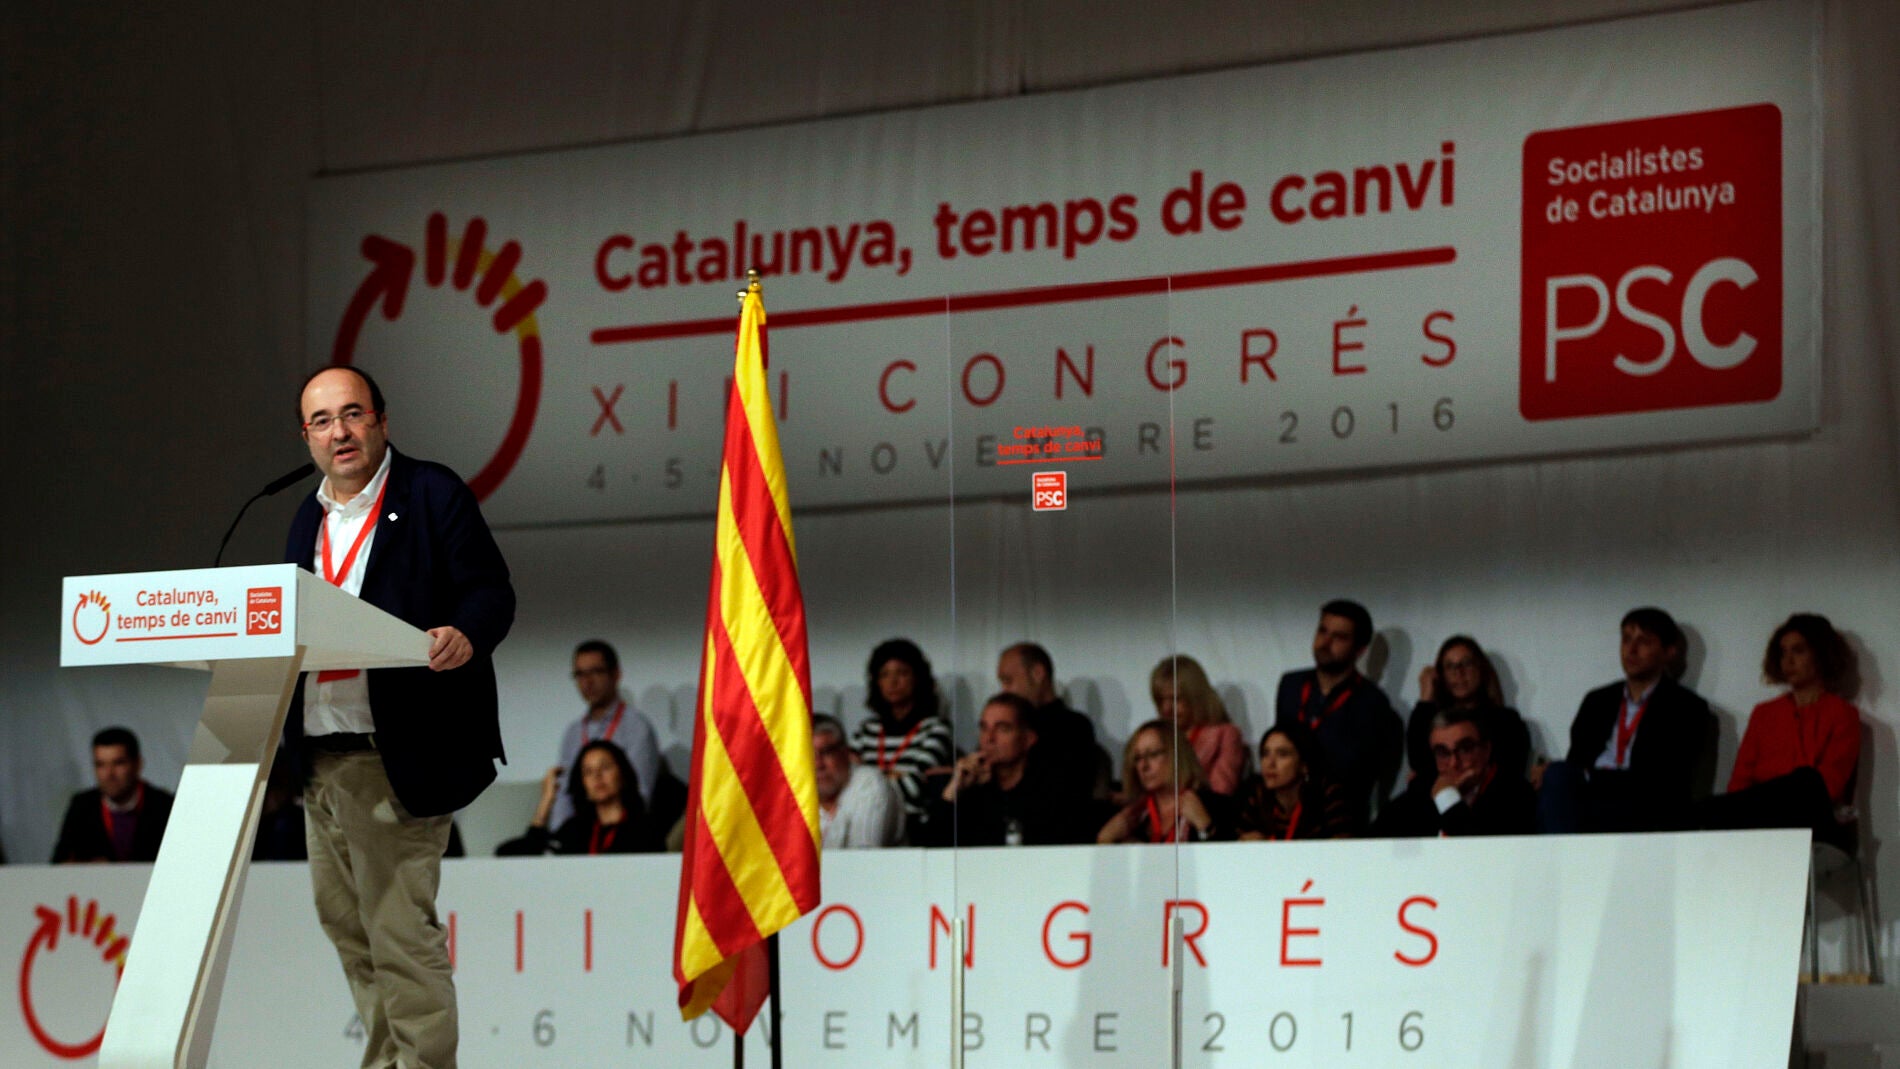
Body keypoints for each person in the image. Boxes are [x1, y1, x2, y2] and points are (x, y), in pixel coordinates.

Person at [285, 364, 515, 1069]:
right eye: (322, 421)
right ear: (307, 436)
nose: (339, 432)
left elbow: (489, 588)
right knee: (352, 936)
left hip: (398, 758)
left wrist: (465, 634)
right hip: (321, 761)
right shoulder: (306, 516)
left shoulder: (430, 492)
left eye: (352, 413)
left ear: (382, 420)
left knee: (399, 940)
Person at [1542, 607, 1714, 833]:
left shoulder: (1686, 707)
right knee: (1555, 778)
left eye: (1644, 641)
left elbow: (1664, 782)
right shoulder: (1597, 701)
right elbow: (1577, 761)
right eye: (1626, 639)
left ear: (1669, 652)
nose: (1631, 650)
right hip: (1592, 801)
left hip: (1647, 807)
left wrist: (1590, 777)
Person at [1700, 614, 1862, 844]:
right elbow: (1740, 781)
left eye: (1798, 651)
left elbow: (1830, 787)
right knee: (1708, 808)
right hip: (1760, 819)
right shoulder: (1764, 713)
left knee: (1806, 782)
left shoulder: (1842, 713)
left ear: (1820, 654)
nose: (1788, 660)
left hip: (1813, 821)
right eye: (1783, 652)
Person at [1273, 599, 1403, 830]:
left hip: (1338, 821)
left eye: (1339, 637)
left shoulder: (1372, 702)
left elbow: (1359, 773)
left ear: (1360, 649)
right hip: (1284, 815)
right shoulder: (1291, 685)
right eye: (1322, 631)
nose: (1325, 642)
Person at [929, 693, 1096, 847]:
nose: (989, 739)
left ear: (1028, 739)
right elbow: (936, 848)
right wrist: (953, 790)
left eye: (1002, 729)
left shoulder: (1051, 791)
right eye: (984, 728)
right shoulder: (973, 790)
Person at [551, 640, 666, 830]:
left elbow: (639, 793)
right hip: (580, 835)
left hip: (623, 832)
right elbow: (565, 795)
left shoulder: (636, 727)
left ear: (616, 675)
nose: (587, 682)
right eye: (580, 674)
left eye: (595, 672)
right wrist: (560, 840)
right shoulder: (573, 733)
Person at [849, 638, 957, 836]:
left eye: (902, 673)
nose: (893, 682)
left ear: (917, 678)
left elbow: (915, 788)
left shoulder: (935, 729)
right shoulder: (866, 731)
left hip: (913, 829)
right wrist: (893, 776)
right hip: (865, 826)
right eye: (884, 674)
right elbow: (846, 786)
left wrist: (871, 781)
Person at [1375, 708, 1537, 837]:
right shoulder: (1421, 790)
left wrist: (1447, 798)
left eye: (1465, 749)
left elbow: (1481, 854)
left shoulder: (1515, 793)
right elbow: (1375, 839)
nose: (1454, 763)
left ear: (1486, 750)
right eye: (1443, 752)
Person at [499, 740, 660, 855]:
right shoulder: (574, 831)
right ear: (581, 783)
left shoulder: (645, 829)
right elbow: (511, 854)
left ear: (623, 774)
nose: (597, 775)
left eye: (605, 767)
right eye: (588, 772)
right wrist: (546, 802)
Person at [1407, 636, 1532, 781]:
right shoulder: (1433, 718)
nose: (1459, 673)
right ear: (1441, 675)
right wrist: (1425, 700)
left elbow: (1509, 773)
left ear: (1481, 669)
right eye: (1450, 666)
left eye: (1467, 664)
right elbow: (1418, 763)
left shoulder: (1507, 720)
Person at [997, 642, 1112, 801]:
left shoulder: (1073, 727)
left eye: (1008, 681)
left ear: (1038, 673)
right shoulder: (1004, 724)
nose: (1003, 691)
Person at [51, 727, 175, 863]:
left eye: (118, 763)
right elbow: (57, 864)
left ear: (138, 764)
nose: (109, 774)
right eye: (100, 765)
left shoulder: (165, 806)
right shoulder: (82, 806)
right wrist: (85, 868)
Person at [1098, 720, 1233, 844]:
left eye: (1153, 754)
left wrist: (1204, 826)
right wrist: (1105, 840)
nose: (1144, 766)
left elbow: (1230, 864)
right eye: (1138, 758)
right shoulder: (1132, 818)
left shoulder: (1215, 806)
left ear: (1177, 755)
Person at [1236, 723, 1352, 841]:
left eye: (1282, 754)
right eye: (1265, 754)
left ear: (1304, 765)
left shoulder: (1326, 793)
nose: (1270, 764)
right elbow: (1237, 844)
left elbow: (1342, 845)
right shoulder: (1258, 796)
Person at [1150, 655, 1247, 795]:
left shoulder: (1225, 735)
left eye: (1175, 699)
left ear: (1196, 697)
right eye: (1160, 700)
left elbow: (1220, 792)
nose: (1166, 709)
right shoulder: (1155, 738)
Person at [813, 715, 905, 848]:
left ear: (846, 753)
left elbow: (862, 859)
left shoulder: (869, 783)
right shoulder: (793, 791)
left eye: (826, 752)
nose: (818, 764)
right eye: (808, 754)